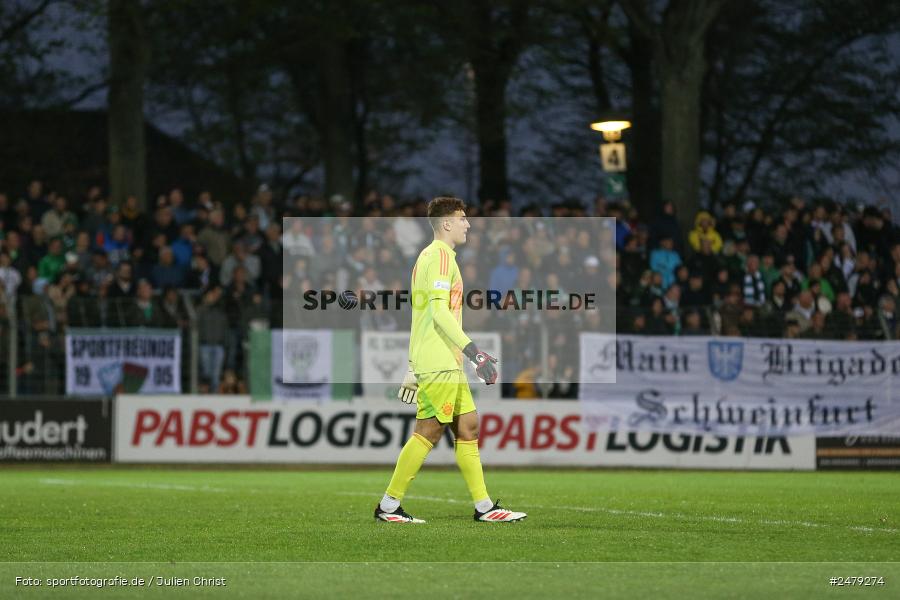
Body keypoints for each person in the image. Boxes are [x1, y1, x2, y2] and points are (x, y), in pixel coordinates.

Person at [376, 196, 526, 524]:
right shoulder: (441, 257)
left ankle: (485, 507)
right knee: (429, 431)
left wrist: (413, 365)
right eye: (462, 218)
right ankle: (389, 506)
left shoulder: (428, 258)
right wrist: (476, 353)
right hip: (442, 361)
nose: (467, 224)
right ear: (446, 223)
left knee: (468, 427)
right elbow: (440, 314)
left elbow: (421, 316)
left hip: (443, 360)